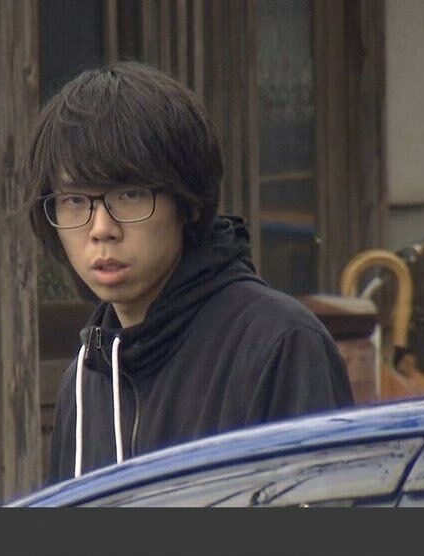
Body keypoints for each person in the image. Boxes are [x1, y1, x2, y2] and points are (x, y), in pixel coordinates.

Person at [24, 62, 354, 484]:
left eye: (130, 194)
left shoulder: (279, 343)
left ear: (188, 202)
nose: (101, 228)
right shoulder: (86, 377)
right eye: (74, 200)